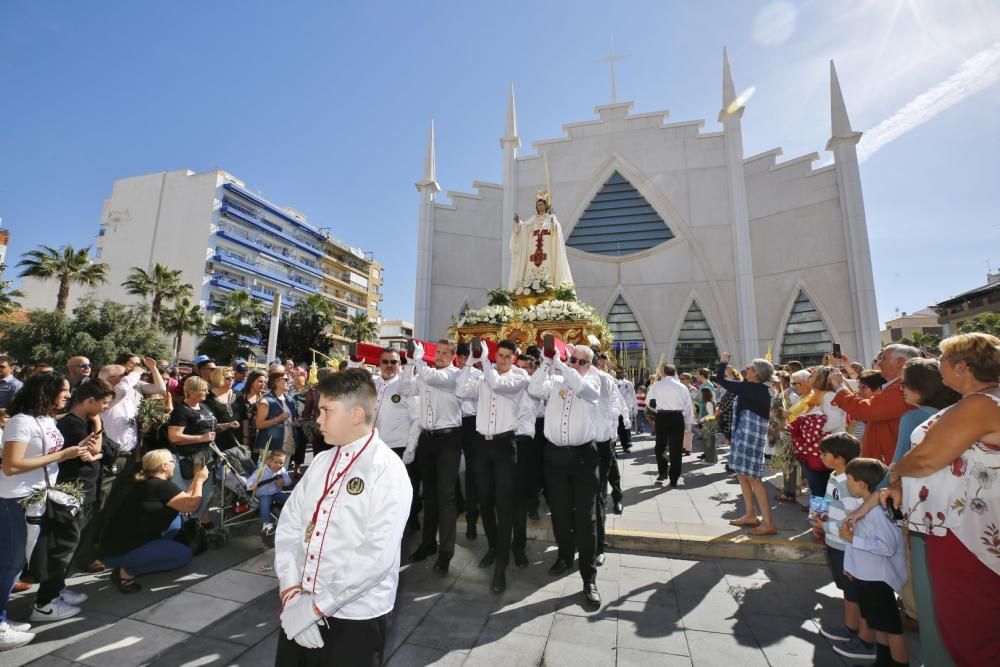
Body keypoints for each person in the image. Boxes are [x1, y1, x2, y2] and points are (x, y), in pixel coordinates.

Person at [873, 333, 1000, 665]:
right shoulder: (980, 401)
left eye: (942, 358)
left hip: (966, 533)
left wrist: (897, 472)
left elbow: (928, 458)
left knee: (971, 630)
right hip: (962, 526)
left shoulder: (980, 403)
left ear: (962, 366)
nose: (936, 363)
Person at [273, 369, 411, 665]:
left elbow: (376, 555)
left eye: (326, 411)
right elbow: (289, 526)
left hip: (354, 617)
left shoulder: (388, 469)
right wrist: (292, 592)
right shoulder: (322, 461)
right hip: (298, 607)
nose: (318, 419)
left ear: (356, 415)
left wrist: (315, 608)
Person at [0, 374, 88, 649]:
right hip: (16, 499)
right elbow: (11, 466)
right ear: (46, 392)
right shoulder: (21, 422)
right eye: (63, 390)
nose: (67, 395)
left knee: (21, 561)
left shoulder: (48, 419)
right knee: (10, 564)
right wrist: (63, 455)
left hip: (39, 497)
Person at [527, 344, 603, 609]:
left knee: (584, 517)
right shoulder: (556, 379)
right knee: (559, 512)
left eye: (582, 362)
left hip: (583, 457)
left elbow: (584, 390)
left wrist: (562, 365)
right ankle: (564, 556)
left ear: (590, 365)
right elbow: (534, 389)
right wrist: (547, 364)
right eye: (574, 360)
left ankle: (588, 577)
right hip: (555, 456)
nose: (576, 364)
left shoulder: (594, 381)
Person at [455, 340, 527, 592]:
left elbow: (498, 384)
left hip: (505, 446)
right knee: (484, 501)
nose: (504, 359)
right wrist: (471, 363)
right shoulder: (484, 374)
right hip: (481, 446)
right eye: (501, 355)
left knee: (504, 504)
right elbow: (462, 391)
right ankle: (494, 547)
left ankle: (502, 567)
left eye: (509, 356)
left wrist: (484, 362)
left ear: (515, 359)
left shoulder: (519, 377)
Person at [41, 381, 113, 612]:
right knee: (62, 549)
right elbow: (93, 451)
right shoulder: (72, 424)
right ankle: (46, 602)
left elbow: (111, 451)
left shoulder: (85, 422)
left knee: (72, 546)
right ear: (90, 400)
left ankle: (58, 589)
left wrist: (100, 447)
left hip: (86, 492)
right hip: (72, 493)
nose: (104, 408)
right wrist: (99, 424)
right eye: (103, 403)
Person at [100, 449, 207, 593]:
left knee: (177, 517)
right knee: (183, 555)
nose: (174, 464)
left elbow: (185, 500)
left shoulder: (149, 482)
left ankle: (155, 551)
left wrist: (196, 478)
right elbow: (192, 505)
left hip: (116, 545)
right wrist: (199, 480)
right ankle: (126, 572)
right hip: (120, 553)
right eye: (172, 461)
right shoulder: (160, 486)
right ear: (164, 466)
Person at [810, 433, 876, 662]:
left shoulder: (849, 482)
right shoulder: (834, 476)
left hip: (846, 544)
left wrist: (826, 524)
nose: (820, 456)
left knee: (856, 591)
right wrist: (820, 521)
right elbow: (829, 504)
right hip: (835, 541)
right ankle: (851, 628)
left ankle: (866, 641)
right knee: (848, 590)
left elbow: (853, 516)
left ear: (838, 458)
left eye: (823, 453)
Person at [401, 340, 463, 574]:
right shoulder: (427, 374)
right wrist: (409, 364)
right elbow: (405, 389)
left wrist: (418, 360)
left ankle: (446, 553)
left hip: (449, 439)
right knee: (429, 494)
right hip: (427, 439)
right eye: (437, 352)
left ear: (453, 356)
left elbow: (431, 378)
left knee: (445, 496)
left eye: (445, 353)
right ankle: (428, 544)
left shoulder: (454, 376)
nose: (439, 356)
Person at [839, 458, 908, 667]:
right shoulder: (865, 508)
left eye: (849, 479)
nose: (846, 483)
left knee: (891, 628)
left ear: (862, 484)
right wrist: (852, 568)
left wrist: (854, 540)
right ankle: (883, 661)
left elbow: (887, 547)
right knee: (878, 625)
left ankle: (900, 663)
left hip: (879, 580)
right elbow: (854, 545)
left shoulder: (878, 513)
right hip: (867, 577)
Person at [718, 353, 778, 535]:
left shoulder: (751, 388)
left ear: (756, 374)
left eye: (750, 368)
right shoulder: (756, 388)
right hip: (744, 434)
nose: (747, 370)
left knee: (754, 479)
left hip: (748, 436)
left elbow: (720, 379)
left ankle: (768, 523)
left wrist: (723, 362)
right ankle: (751, 515)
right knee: (742, 475)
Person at [830, 345, 919, 463]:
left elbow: (865, 410)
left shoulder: (903, 388)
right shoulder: (897, 386)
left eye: (883, 358)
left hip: (892, 465)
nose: (879, 363)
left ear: (900, 362)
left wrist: (840, 388)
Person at [370, 349, 419, 531]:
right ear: (379, 363)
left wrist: (411, 448)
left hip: (400, 447)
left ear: (400, 364)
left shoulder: (408, 385)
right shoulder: (371, 384)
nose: (389, 366)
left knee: (403, 489)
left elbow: (416, 419)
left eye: (394, 362)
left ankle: (408, 524)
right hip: (375, 447)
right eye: (385, 362)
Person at [787, 366, 848, 499]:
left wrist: (809, 435)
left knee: (819, 489)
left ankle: (819, 517)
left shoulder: (829, 396)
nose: (809, 378)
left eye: (812, 375)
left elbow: (833, 421)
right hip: (817, 447)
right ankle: (819, 516)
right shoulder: (818, 396)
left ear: (821, 379)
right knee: (817, 488)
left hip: (826, 447)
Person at [166, 376, 218, 523]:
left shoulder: (204, 406)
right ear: (192, 391)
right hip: (189, 459)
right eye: (203, 390)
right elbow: (174, 437)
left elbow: (205, 428)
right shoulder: (181, 411)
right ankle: (183, 524)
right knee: (192, 492)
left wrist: (225, 425)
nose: (207, 392)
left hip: (206, 457)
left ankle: (200, 522)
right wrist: (201, 438)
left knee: (206, 492)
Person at [507, 190, 574, 291]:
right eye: (538, 205)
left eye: (541, 204)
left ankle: (547, 285)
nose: (539, 206)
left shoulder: (550, 217)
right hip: (533, 248)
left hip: (546, 247)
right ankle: (529, 287)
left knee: (546, 264)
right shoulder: (533, 218)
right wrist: (518, 222)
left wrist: (552, 221)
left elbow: (555, 229)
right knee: (532, 266)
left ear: (545, 205)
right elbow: (524, 228)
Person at [645, 365, 694, 487]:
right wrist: (688, 424)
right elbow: (688, 407)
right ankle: (674, 478)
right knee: (676, 449)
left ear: (663, 373)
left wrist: (657, 409)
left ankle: (662, 472)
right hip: (677, 417)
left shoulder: (656, 385)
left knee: (660, 446)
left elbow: (648, 402)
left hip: (662, 417)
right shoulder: (682, 387)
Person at [454, 342, 481, 540]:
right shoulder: (453, 374)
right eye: (461, 356)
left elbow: (465, 393)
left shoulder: (479, 377)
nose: (464, 360)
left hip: (472, 425)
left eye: (467, 356)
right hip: (454, 424)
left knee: (472, 474)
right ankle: (458, 505)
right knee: (452, 470)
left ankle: (472, 519)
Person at [255, 369, 303, 469]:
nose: (289, 381)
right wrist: (278, 419)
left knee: (282, 475)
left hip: (288, 442)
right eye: (285, 379)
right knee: (268, 476)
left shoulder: (289, 399)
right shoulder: (266, 400)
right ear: (276, 382)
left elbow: (292, 421)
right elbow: (259, 424)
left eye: (289, 379)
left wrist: (295, 422)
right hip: (271, 445)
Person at [246, 449, 292, 537]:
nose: (278, 465)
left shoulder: (282, 470)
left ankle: (293, 515)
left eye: (281, 463)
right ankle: (266, 524)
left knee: (288, 498)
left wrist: (283, 482)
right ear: (268, 461)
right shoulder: (261, 470)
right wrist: (252, 485)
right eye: (275, 462)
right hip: (264, 494)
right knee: (265, 504)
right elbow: (250, 481)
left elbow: (289, 481)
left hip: (275, 493)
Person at [204, 367, 242, 451]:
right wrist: (227, 425)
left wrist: (246, 438)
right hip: (216, 441)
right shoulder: (208, 397)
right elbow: (206, 423)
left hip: (237, 439)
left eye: (232, 378)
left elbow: (244, 418)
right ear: (218, 379)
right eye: (227, 378)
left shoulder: (238, 395)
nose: (231, 380)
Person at [239, 370, 267, 458]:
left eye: (264, 382)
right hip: (242, 435)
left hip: (260, 436)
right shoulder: (241, 396)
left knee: (256, 464)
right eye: (260, 381)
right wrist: (245, 438)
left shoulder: (265, 397)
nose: (263, 384)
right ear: (251, 382)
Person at [853, 370, 885, 441]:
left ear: (878, 390)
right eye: (859, 387)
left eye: (863, 388)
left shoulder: (882, 412)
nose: (859, 392)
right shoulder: (863, 407)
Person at [615, 369, 636, 454]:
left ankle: (626, 446)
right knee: (614, 430)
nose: (619, 374)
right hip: (614, 409)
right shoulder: (612, 382)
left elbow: (633, 395)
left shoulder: (628, 383)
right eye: (618, 373)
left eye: (621, 372)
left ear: (624, 373)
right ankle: (613, 449)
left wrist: (635, 407)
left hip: (624, 409)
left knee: (623, 429)